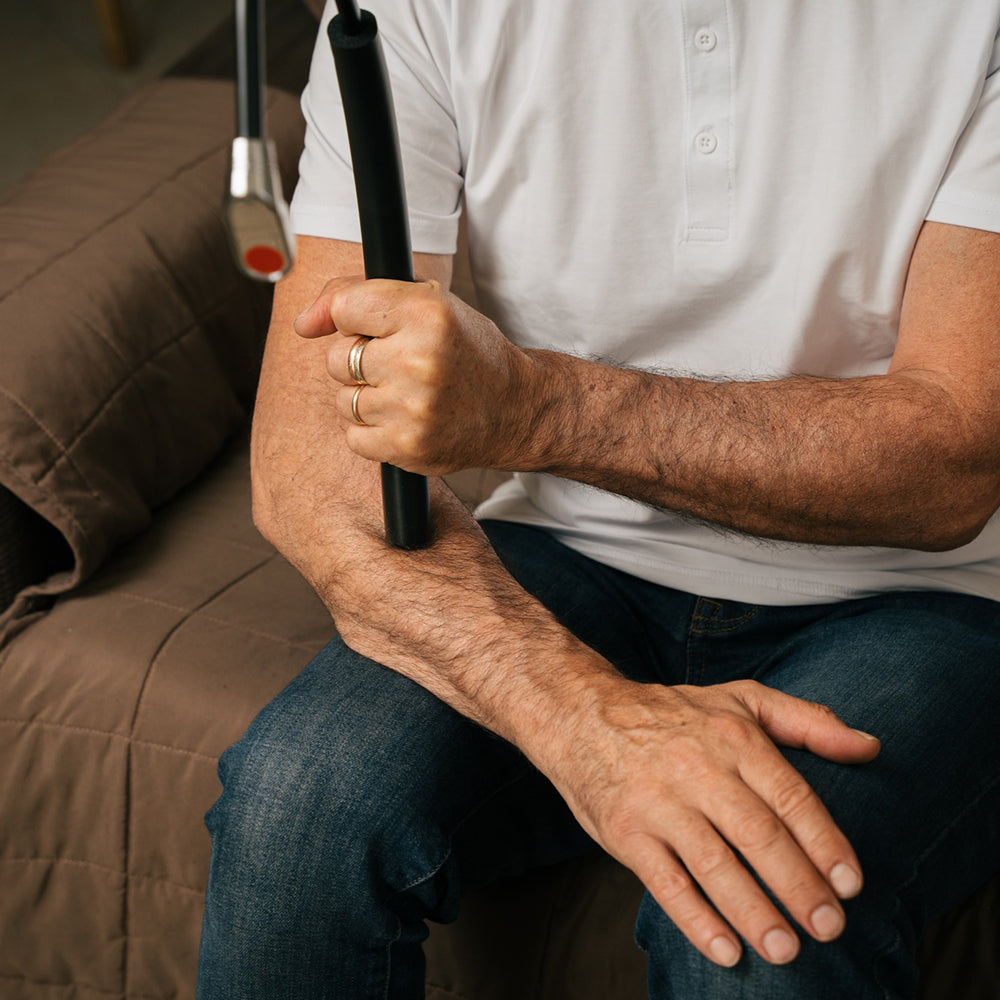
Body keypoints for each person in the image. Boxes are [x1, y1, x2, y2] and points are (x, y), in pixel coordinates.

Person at [197, 2, 1000, 998]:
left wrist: (534, 407)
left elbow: (950, 459)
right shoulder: (401, 13)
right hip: (573, 545)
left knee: (759, 922)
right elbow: (311, 469)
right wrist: (586, 722)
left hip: (933, 592)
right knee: (297, 807)